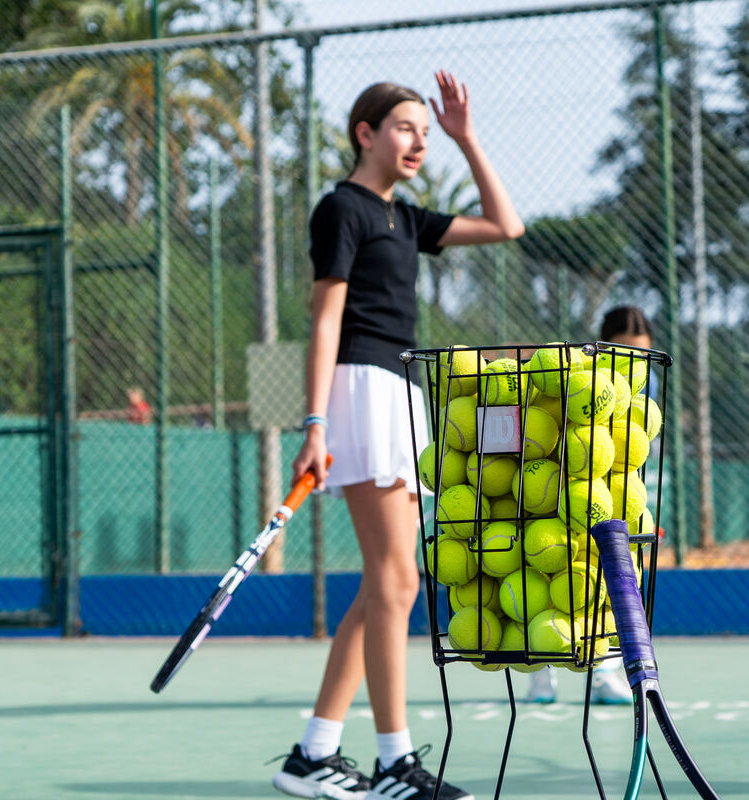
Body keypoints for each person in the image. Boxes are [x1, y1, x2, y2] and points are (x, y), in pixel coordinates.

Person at [272, 72, 523, 800]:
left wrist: (465, 138)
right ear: (366, 134)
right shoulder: (341, 210)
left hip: (400, 394)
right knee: (397, 582)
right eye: (405, 127)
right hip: (358, 391)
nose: (417, 140)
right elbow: (324, 321)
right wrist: (314, 421)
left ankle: (313, 753)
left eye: (423, 130)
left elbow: (508, 226)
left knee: (385, 588)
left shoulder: (407, 221)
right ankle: (393, 764)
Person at [525, 305, 652, 706]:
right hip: (564, 497)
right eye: (624, 351)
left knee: (606, 582)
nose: (632, 362)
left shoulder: (640, 396)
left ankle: (604, 671)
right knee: (550, 575)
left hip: (613, 495)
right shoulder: (576, 381)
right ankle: (543, 665)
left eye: (640, 353)